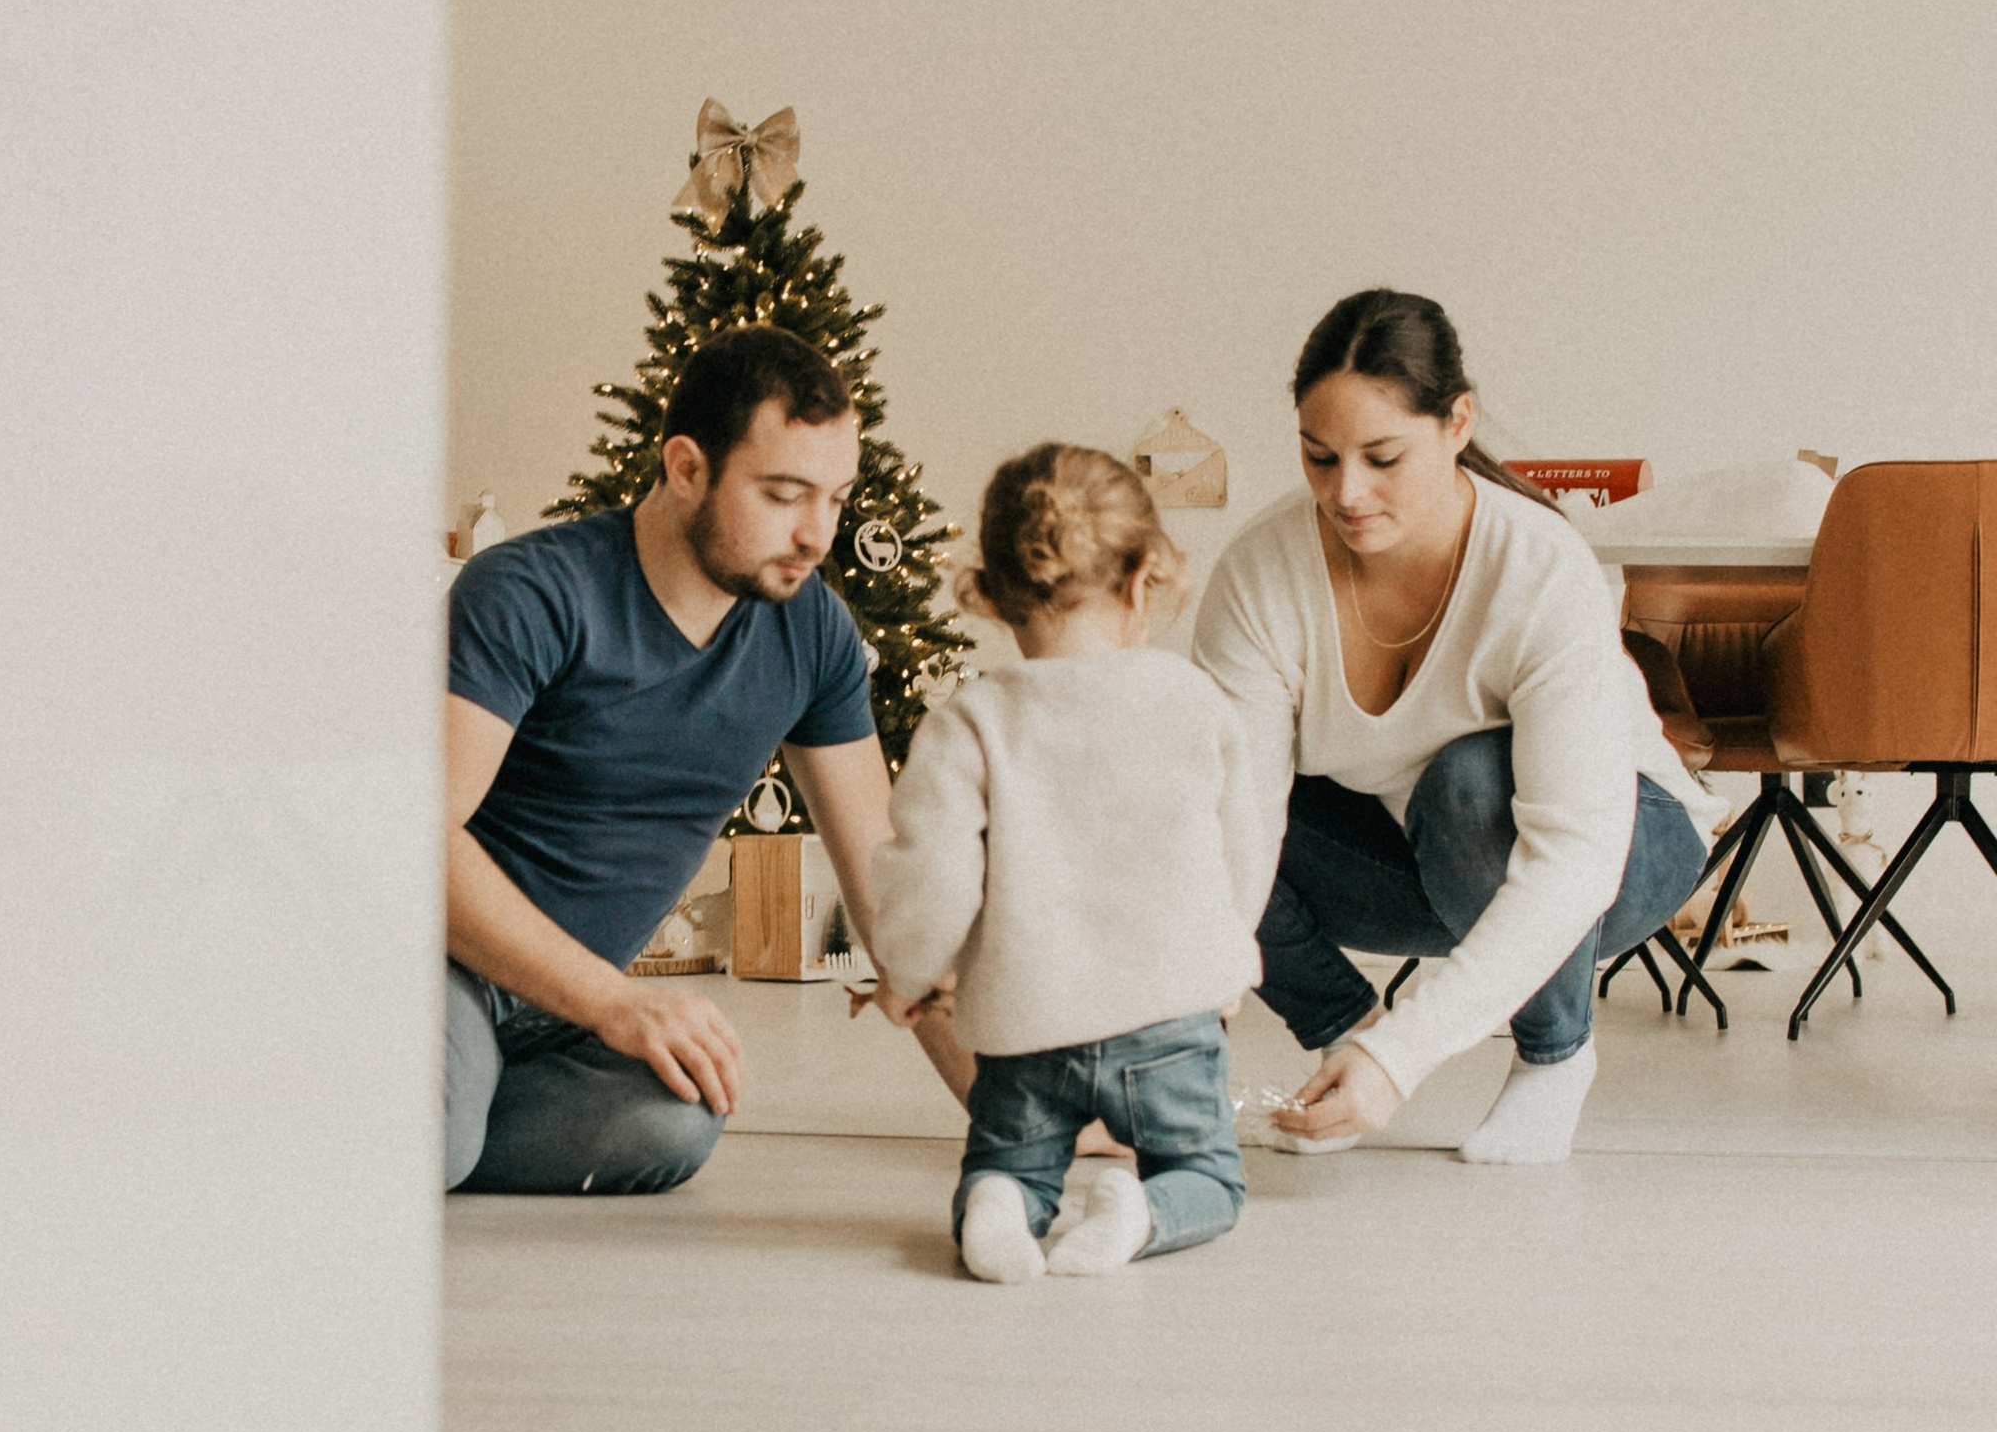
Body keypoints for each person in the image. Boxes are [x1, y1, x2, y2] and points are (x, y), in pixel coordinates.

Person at [1192, 288, 1718, 1166]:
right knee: (1189, 810)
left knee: (1470, 780)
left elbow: (1575, 856)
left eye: (1382, 457)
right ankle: (1340, 1041)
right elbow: (1237, 816)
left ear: (1456, 422)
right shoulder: (1262, 571)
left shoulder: (1541, 566)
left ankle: (1556, 1054)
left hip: (1622, 852)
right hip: (1420, 863)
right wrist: (1201, 984)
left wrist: (1404, 1058)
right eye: (1319, 458)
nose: (1346, 492)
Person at [444, 324, 971, 1193]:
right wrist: (614, 1001)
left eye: (836, 498)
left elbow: (887, 893)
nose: (817, 534)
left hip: (565, 1026)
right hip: (442, 967)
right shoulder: (532, 594)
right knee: (438, 1128)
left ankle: (410, 1112)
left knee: (675, 1121)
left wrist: (1018, 1116)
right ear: (686, 467)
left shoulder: (813, 631)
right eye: (783, 493)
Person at [870, 444, 1264, 1283]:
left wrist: (909, 974)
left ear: (999, 592)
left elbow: (934, 873)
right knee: (1209, 1178)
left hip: (1024, 1030)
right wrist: (1225, 963)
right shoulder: (1194, 700)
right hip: (1170, 1024)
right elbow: (1242, 850)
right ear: (1141, 578)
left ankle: (999, 1206)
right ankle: (1141, 1208)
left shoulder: (971, 720)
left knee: (1005, 1163)